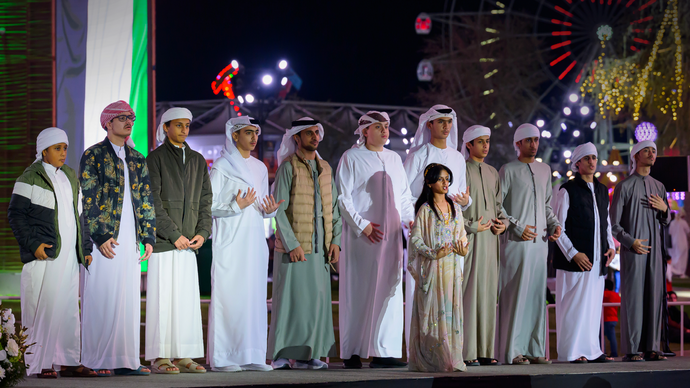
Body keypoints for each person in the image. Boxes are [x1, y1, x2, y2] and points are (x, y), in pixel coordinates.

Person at [8, 128, 97, 378]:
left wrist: (85, 248)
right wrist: (33, 245)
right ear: (43, 151)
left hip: (68, 257)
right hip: (44, 256)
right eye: (57, 148)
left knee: (68, 309)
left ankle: (68, 361)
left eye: (65, 148)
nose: (63, 153)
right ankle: (39, 363)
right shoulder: (30, 177)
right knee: (41, 308)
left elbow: (81, 216)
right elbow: (16, 215)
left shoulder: (69, 175)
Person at [79, 100, 155, 376]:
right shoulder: (93, 155)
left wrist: (147, 236)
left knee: (128, 300)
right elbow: (89, 198)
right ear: (108, 123)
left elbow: (146, 198)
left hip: (131, 239)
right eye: (122, 117)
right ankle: (96, 361)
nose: (129, 121)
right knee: (101, 296)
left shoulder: (137, 158)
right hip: (106, 239)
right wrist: (100, 237)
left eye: (131, 117)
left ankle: (127, 360)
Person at [336, 111, 415, 369]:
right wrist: (363, 225)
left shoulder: (394, 158)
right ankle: (353, 352)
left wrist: (410, 222)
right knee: (358, 291)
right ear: (364, 131)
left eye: (386, 127)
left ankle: (385, 352)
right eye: (378, 127)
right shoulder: (351, 158)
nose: (384, 131)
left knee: (390, 294)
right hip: (362, 238)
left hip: (391, 237)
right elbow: (343, 198)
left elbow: (403, 196)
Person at [207, 116, 283, 372]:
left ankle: (253, 356)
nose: (253, 138)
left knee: (253, 298)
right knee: (229, 297)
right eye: (248, 133)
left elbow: (261, 205)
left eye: (255, 133)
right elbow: (209, 207)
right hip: (230, 241)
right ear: (234, 136)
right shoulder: (221, 166)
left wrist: (270, 211)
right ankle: (223, 359)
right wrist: (235, 206)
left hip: (254, 242)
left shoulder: (261, 168)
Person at [266, 117, 342, 370]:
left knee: (316, 304)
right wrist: (292, 244)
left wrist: (336, 242)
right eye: (308, 133)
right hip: (294, 248)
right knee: (290, 303)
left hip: (320, 249)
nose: (314, 137)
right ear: (296, 138)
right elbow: (279, 210)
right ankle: (280, 356)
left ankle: (306, 355)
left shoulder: (326, 168)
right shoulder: (288, 167)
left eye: (316, 133)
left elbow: (335, 210)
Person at [145, 107, 211, 374]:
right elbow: (152, 203)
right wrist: (174, 235)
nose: (184, 129)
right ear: (165, 128)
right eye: (179, 125)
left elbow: (206, 201)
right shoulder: (156, 158)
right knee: (162, 301)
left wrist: (202, 233)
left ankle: (184, 355)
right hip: (164, 243)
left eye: (187, 125)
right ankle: (160, 356)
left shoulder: (197, 159)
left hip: (189, 243)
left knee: (185, 302)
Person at [403, 104, 471, 355]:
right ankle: (424, 352)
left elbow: (462, 194)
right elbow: (405, 194)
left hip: (453, 229)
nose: (446, 126)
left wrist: (466, 202)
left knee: (451, 294)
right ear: (429, 124)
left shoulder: (456, 157)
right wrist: (414, 221)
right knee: (426, 293)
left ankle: (449, 353)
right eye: (441, 121)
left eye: (449, 121)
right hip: (427, 231)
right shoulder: (418, 154)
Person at [497, 123, 561, 365]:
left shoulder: (545, 170)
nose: (533, 145)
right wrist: (516, 226)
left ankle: (535, 350)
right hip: (515, 243)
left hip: (539, 245)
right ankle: (512, 352)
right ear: (518, 144)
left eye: (536, 140)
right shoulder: (508, 170)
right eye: (528, 140)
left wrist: (554, 224)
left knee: (536, 296)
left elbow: (546, 205)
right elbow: (497, 205)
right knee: (516, 295)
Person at [553, 142, 615, 364]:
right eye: (587, 158)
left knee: (592, 307)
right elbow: (557, 227)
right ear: (577, 163)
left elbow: (605, 223)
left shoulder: (601, 190)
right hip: (575, 260)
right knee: (573, 307)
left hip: (598, 260)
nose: (591, 162)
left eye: (594, 158)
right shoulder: (566, 190)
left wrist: (611, 247)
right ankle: (571, 353)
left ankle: (592, 351)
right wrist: (573, 253)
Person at [611, 140, 670, 362]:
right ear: (635, 156)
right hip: (633, 251)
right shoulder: (624, 187)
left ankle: (652, 348)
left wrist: (665, 210)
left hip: (655, 252)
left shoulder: (659, 187)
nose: (652, 153)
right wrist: (630, 242)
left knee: (654, 296)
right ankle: (633, 349)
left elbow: (666, 220)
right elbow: (614, 224)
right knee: (633, 299)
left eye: (654, 150)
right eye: (646, 150)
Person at [407, 163, 468, 372]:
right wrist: (434, 253)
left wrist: (462, 250)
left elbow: (462, 237)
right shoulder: (425, 210)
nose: (446, 183)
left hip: (451, 269)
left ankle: (451, 358)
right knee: (430, 314)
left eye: (447, 179)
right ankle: (432, 359)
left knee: (450, 312)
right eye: (441, 179)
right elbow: (415, 239)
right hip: (432, 269)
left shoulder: (455, 208)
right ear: (429, 182)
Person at [459, 125, 506, 366]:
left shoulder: (492, 172)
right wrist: (470, 226)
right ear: (468, 144)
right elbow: (455, 209)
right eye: (480, 141)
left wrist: (503, 224)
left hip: (490, 240)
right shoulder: (461, 170)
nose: (485, 146)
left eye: (487, 141)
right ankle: (467, 352)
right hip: (470, 240)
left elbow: (499, 207)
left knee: (488, 295)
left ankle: (486, 350)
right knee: (469, 294)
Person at [669, 210, 690, 278]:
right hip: (682, 242)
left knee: (675, 256)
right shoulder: (683, 222)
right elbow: (688, 231)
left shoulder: (672, 223)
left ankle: (675, 271)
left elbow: (670, 232)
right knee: (682, 257)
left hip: (674, 242)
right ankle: (680, 272)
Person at [603, 279, 620, 357]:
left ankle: (602, 352)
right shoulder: (615, 295)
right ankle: (614, 353)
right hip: (613, 319)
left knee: (600, 337)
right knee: (612, 337)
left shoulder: (603, 294)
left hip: (604, 319)